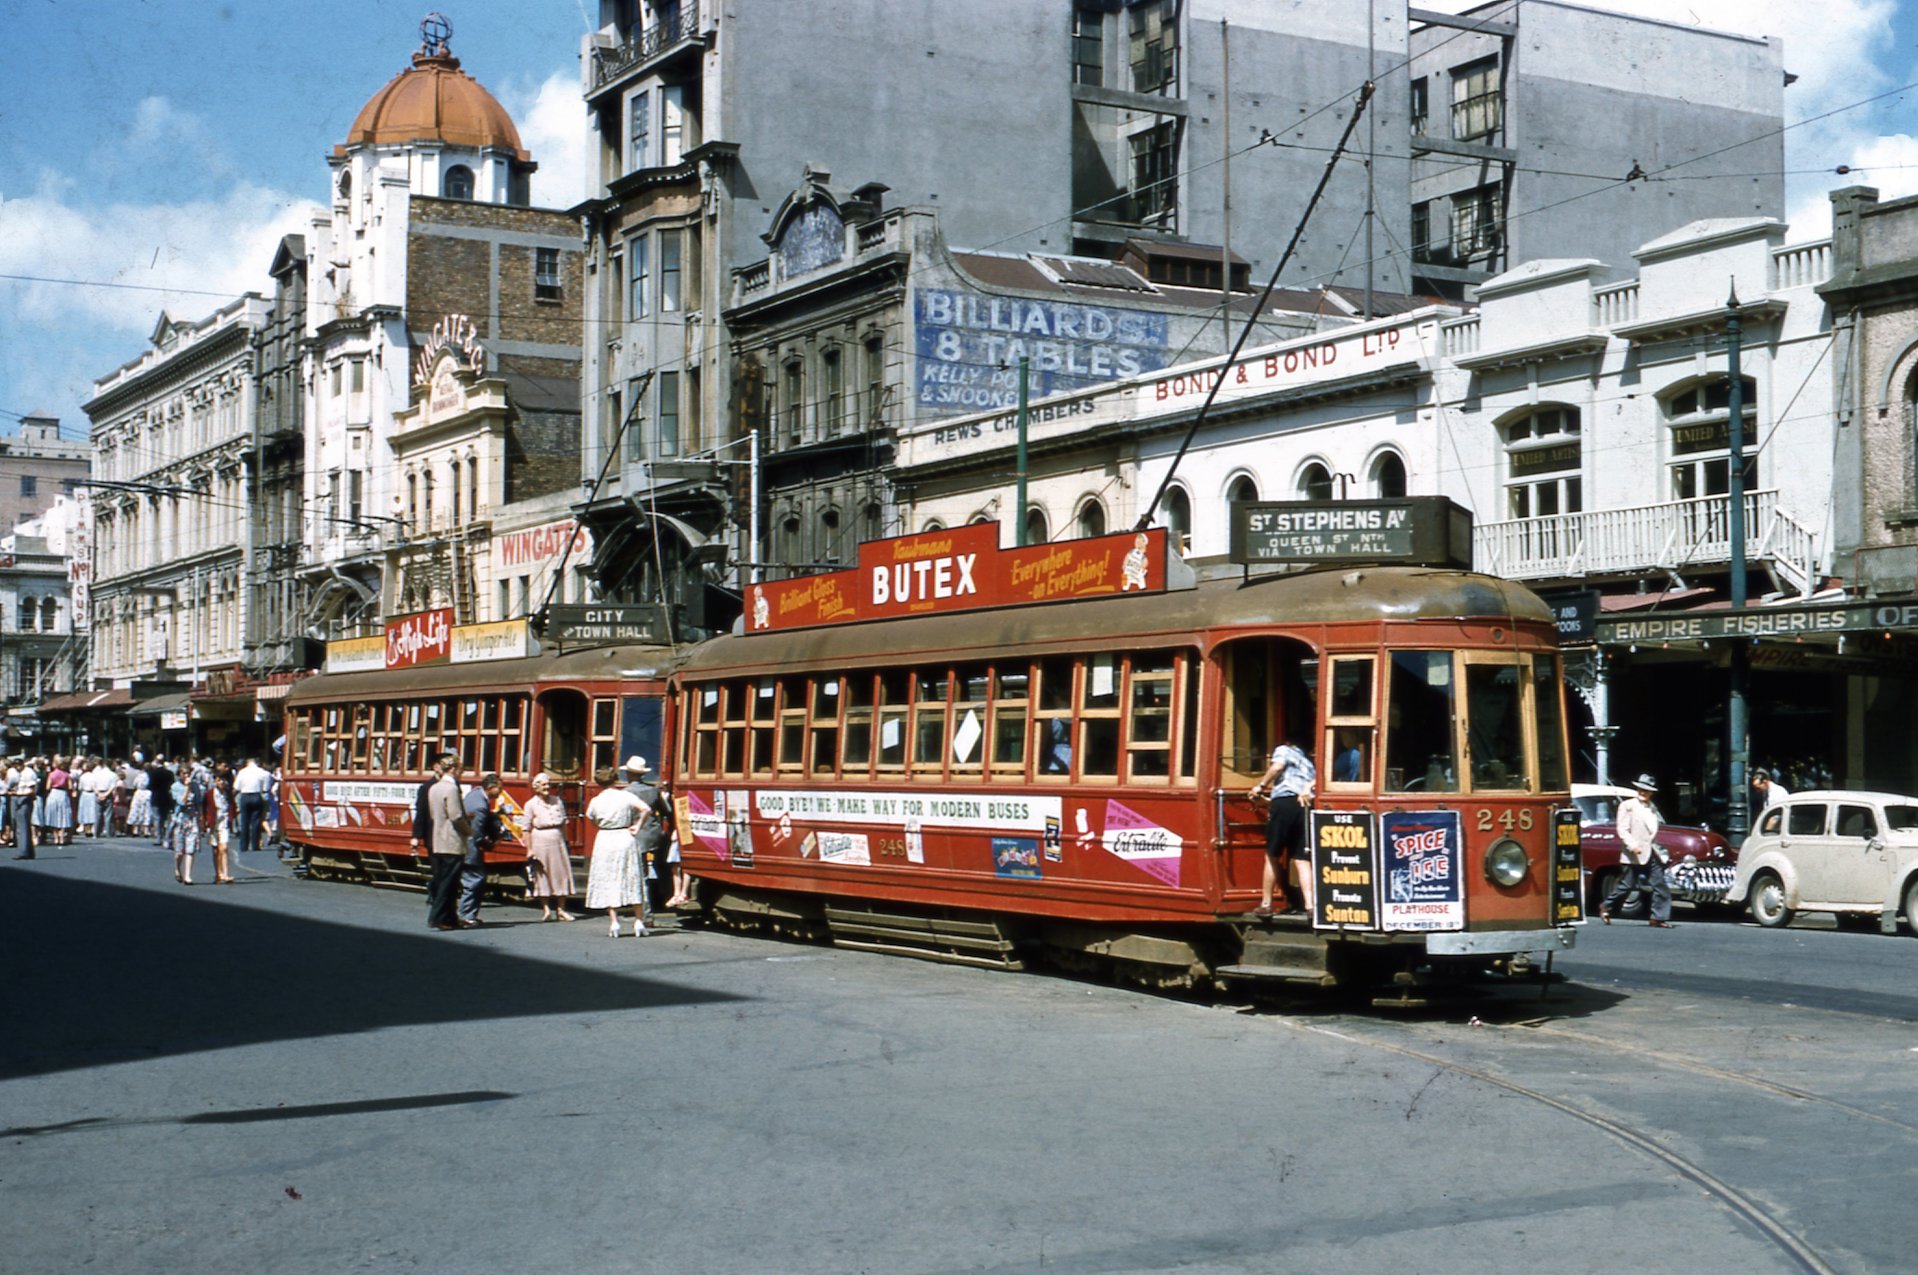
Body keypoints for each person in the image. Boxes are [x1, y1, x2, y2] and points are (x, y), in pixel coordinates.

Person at [1249, 735, 1315, 917]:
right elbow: (1293, 796)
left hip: (1284, 805)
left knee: (1272, 854)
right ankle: (1310, 906)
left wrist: (1260, 786)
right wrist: (1265, 800)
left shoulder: (1284, 750)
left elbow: (1277, 767)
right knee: (1302, 859)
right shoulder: (1308, 762)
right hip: (1303, 807)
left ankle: (1266, 904)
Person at [585, 766, 651, 938]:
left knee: (609, 879)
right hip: (624, 836)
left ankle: (614, 922)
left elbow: (591, 818)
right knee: (632, 876)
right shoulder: (625, 796)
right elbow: (646, 809)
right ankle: (639, 921)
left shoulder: (596, 801)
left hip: (605, 839)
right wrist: (637, 825)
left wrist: (602, 826)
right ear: (615, 779)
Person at [1601, 773, 1672, 927]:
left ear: (1652, 792)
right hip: (1633, 853)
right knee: (1627, 885)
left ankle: (1658, 918)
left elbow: (1653, 832)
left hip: (1652, 852)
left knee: (1659, 885)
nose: (1643, 792)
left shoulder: (1653, 808)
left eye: (1646, 790)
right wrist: (1632, 845)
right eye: (1640, 789)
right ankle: (1606, 906)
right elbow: (1623, 829)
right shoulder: (1627, 806)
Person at [520, 772, 578, 922]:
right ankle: (546, 910)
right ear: (536, 787)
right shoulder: (530, 804)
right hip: (540, 841)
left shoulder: (557, 801)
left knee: (560, 874)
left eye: (548, 784)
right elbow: (526, 829)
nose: (547, 787)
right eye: (544, 785)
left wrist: (565, 841)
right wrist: (530, 849)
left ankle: (561, 909)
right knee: (542, 875)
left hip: (557, 841)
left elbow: (564, 823)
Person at [424, 754, 468, 931]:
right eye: (461, 770)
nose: (462, 773)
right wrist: (469, 831)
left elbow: (435, 815)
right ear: (454, 769)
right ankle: (437, 917)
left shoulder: (434, 788)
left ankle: (450, 918)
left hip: (438, 838)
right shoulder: (451, 789)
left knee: (444, 878)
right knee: (450, 882)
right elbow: (456, 816)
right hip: (452, 840)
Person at [625, 755, 670, 927]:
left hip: (637, 837)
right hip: (655, 835)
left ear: (629, 774)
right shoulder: (653, 791)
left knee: (641, 877)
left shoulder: (626, 793)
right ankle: (668, 896)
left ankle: (647, 915)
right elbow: (667, 811)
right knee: (662, 868)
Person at [458, 773, 505, 927]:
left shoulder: (475, 793)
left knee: (471, 879)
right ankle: (467, 915)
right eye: (499, 788)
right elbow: (476, 833)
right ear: (490, 788)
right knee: (475, 880)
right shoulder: (480, 806)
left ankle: (466, 914)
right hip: (470, 849)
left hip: (463, 846)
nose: (500, 792)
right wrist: (487, 843)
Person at [234, 756, 271, 856]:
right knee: (256, 821)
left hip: (245, 795)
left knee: (244, 821)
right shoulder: (262, 772)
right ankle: (255, 845)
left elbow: (236, 786)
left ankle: (244, 845)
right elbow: (266, 787)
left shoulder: (242, 772)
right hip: (256, 795)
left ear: (247, 763)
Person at [207, 770, 235, 884]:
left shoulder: (228, 793)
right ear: (215, 781)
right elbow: (205, 808)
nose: (221, 782)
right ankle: (218, 873)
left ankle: (225, 874)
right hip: (213, 823)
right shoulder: (209, 794)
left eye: (223, 780)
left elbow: (232, 805)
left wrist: (231, 818)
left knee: (223, 848)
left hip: (224, 822)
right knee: (215, 850)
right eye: (219, 780)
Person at [10, 757, 40, 859]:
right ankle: (28, 851)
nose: (17, 767)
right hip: (18, 796)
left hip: (24, 798)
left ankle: (23, 851)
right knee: (21, 825)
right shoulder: (17, 773)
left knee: (22, 826)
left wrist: (18, 793)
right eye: (15, 765)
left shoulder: (28, 773)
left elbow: (31, 790)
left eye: (18, 765)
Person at [43, 756, 73, 847]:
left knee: (54, 815)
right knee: (63, 814)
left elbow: (48, 787)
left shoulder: (51, 774)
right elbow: (70, 787)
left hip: (54, 793)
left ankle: (56, 837)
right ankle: (62, 837)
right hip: (63, 794)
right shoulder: (66, 775)